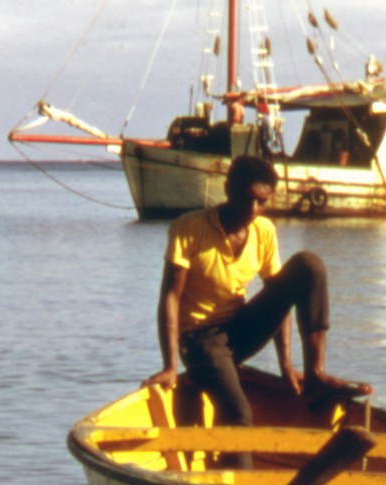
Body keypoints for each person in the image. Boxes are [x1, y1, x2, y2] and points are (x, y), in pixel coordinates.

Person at [150, 154, 354, 425]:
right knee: (240, 415)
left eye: (262, 201)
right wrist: (170, 366)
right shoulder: (189, 228)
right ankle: (234, 462)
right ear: (227, 189)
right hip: (199, 340)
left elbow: (279, 298)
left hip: (238, 331)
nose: (252, 208)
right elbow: (170, 298)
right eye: (247, 198)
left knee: (308, 265)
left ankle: (316, 374)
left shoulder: (264, 231)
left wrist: (286, 366)